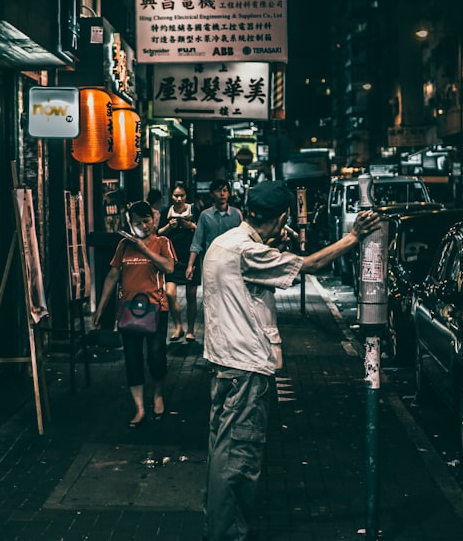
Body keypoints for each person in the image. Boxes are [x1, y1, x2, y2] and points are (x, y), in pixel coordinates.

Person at [202, 180, 381, 541]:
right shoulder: (247, 252)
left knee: (221, 452)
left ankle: (219, 528)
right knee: (239, 459)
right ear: (282, 216)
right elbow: (310, 265)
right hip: (246, 368)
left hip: (224, 365)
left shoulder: (225, 243)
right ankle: (226, 535)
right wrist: (353, 237)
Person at [92, 201, 176, 428]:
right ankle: (139, 408)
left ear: (153, 220)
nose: (143, 226)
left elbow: (169, 268)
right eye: (137, 222)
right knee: (132, 360)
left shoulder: (162, 242)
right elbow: (112, 277)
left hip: (157, 309)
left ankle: (158, 395)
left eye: (146, 221)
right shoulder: (123, 245)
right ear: (130, 223)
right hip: (128, 311)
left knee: (156, 358)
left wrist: (144, 249)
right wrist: (100, 309)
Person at [156, 181, 200, 341]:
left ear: (186, 196)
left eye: (181, 195)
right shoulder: (165, 212)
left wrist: (190, 225)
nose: (179, 199)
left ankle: (190, 329)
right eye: (176, 195)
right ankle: (178, 326)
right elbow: (158, 234)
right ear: (171, 196)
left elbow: (200, 230)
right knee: (170, 293)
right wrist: (169, 226)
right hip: (171, 259)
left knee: (191, 296)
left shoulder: (193, 210)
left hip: (191, 258)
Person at [186, 179, 243, 298]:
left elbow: (244, 240)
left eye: (225, 191)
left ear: (229, 193)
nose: (222, 194)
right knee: (212, 296)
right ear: (212, 194)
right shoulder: (205, 216)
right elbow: (197, 243)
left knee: (232, 296)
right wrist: (190, 265)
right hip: (211, 262)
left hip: (232, 262)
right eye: (218, 191)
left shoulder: (236, 214)